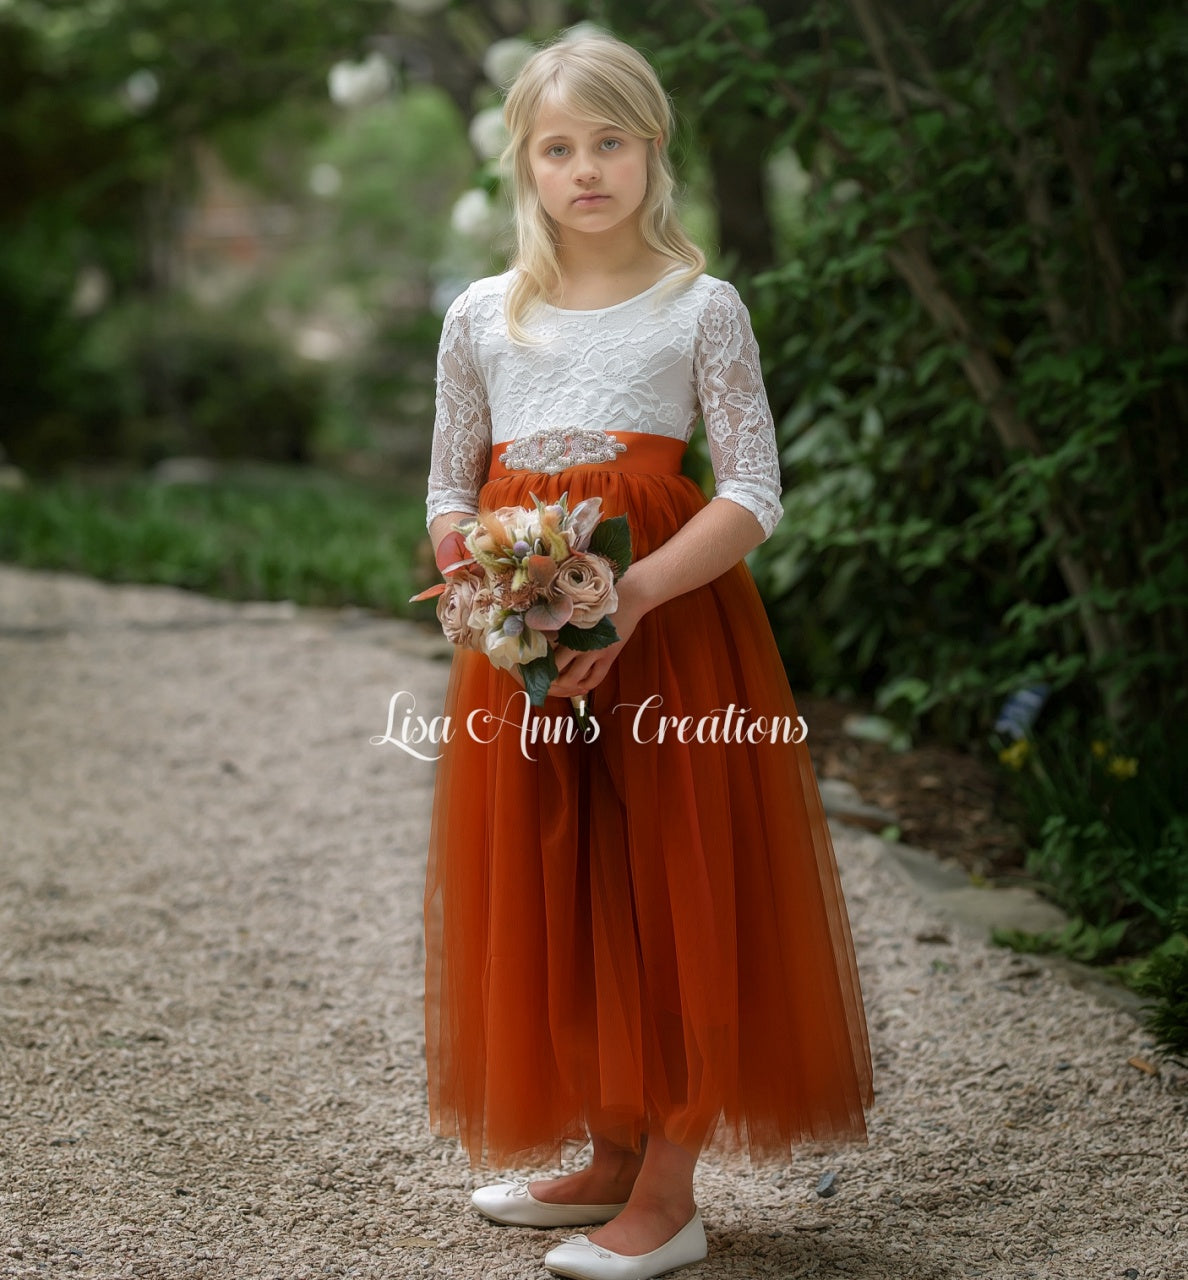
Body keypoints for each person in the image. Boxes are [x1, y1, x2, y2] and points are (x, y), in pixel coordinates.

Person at [423, 29, 872, 1280]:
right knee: (563, 889)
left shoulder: (701, 306)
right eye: (558, 147)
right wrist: (492, 597)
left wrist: (632, 596)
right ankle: (609, 1152)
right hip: (528, 658)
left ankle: (671, 1193)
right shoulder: (482, 316)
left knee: (672, 887)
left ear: (651, 151)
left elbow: (758, 491)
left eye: (608, 142)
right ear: (526, 163)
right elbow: (448, 491)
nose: (585, 169)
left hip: (671, 645)